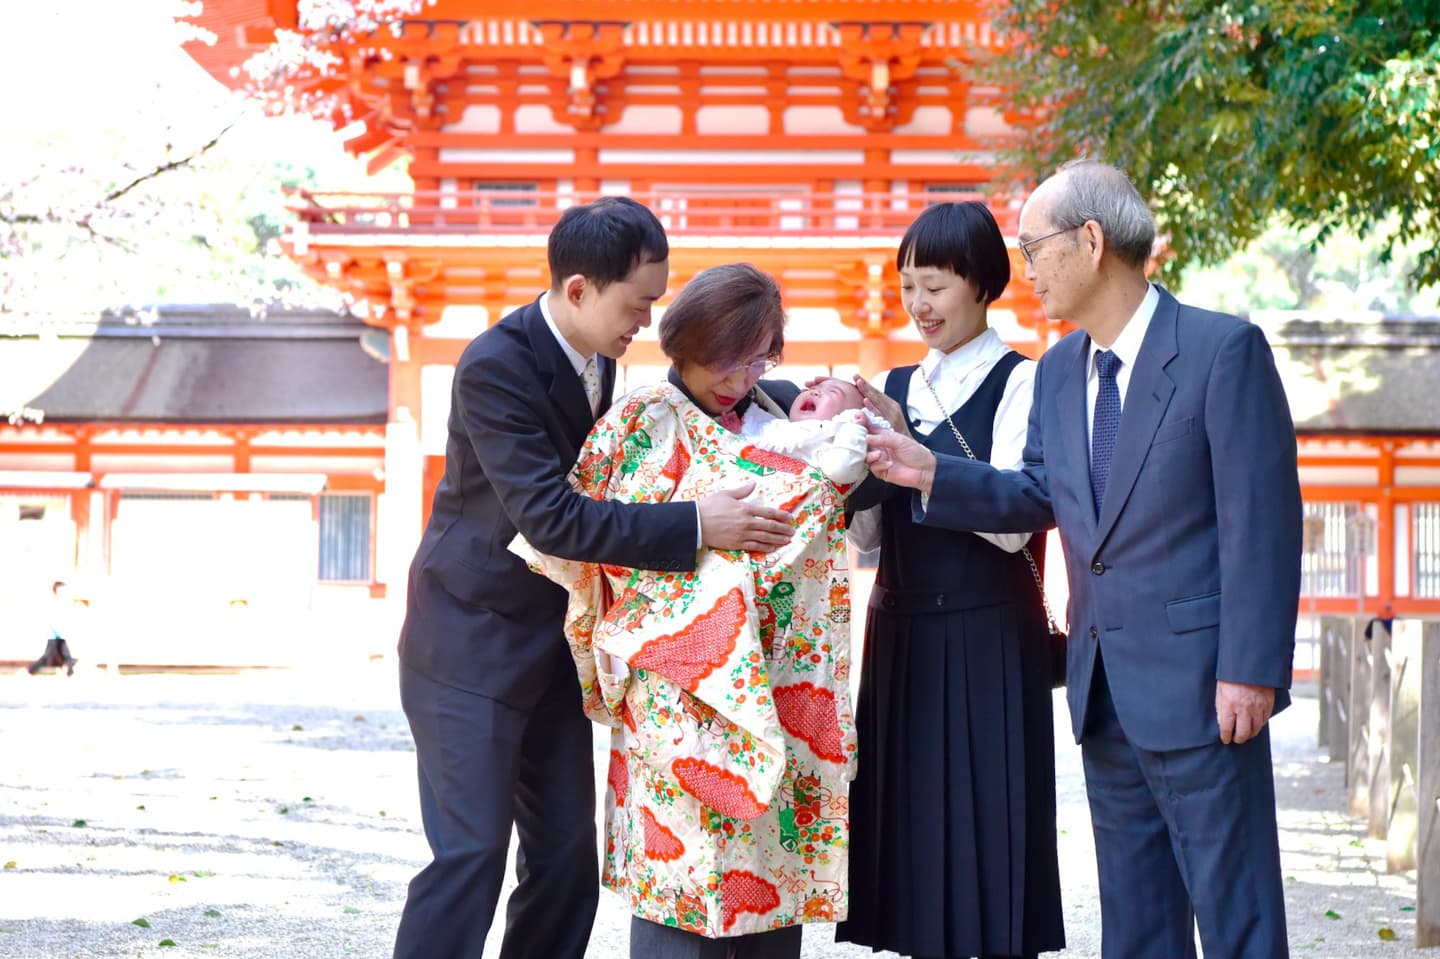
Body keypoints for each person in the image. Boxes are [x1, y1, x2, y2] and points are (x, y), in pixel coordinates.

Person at [864, 159, 1301, 959]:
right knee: (1135, 928)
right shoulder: (1062, 369)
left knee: (1237, 919)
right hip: (1103, 697)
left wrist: (1252, 670)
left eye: (1034, 248)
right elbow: (1034, 493)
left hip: (1208, 691)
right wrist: (927, 470)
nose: (1024, 268)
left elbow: (1262, 527)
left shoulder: (1220, 351)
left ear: (1091, 241)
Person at [392, 200, 797, 959]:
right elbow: (551, 518)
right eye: (638, 302)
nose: (646, 320)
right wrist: (699, 525)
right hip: (468, 645)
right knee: (469, 856)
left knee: (567, 859)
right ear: (579, 289)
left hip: (550, 646)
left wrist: (791, 401)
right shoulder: (493, 365)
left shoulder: (601, 358)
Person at [513, 263, 857, 959]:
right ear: (681, 344)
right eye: (723, 361)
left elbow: (845, 502)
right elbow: (586, 542)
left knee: (769, 862)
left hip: (775, 675)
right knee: (679, 875)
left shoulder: (793, 415)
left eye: (757, 359)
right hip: (671, 688)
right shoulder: (636, 421)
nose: (738, 379)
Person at [835, 201, 1065, 959]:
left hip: (987, 633)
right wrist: (839, 465)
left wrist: (914, 452)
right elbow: (869, 535)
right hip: (899, 631)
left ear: (981, 283)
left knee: (989, 829)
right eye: (907, 287)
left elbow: (1016, 518)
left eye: (933, 285)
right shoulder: (891, 383)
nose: (918, 305)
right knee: (909, 834)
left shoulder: (1024, 381)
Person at [26, 580, 79, 676]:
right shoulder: (54, 603)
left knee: (66, 656)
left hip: (60, 636)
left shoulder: (63, 602)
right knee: (48, 656)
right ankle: (29, 670)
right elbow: (53, 621)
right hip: (54, 636)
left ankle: (70, 672)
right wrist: (59, 632)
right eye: (62, 590)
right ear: (56, 590)